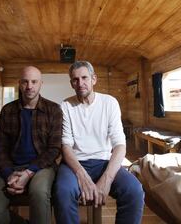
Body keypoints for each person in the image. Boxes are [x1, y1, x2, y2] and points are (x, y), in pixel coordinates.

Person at [54, 61, 145, 224]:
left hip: (103, 162)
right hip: (74, 163)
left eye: (84, 78)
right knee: (63, 192)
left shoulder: (110, 103)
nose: (80, 83)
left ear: (93, 79)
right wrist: (82, 176)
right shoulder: (65, 105)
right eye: (75, 79)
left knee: (134, 191)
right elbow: (65, 145)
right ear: (71, 83)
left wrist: (107, 179)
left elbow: (119, 145)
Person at [0, 66, 62, 224]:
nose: (29, 86)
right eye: (25, 82)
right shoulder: (7, 110)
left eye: (34, 82)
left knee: (39, 191)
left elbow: (54, 149)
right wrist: (9, 173)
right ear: (19, 83)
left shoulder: (53, 110)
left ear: (41, 83)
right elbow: (0, 147)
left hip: (42, 167)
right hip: (11, 167)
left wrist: (29, 172)